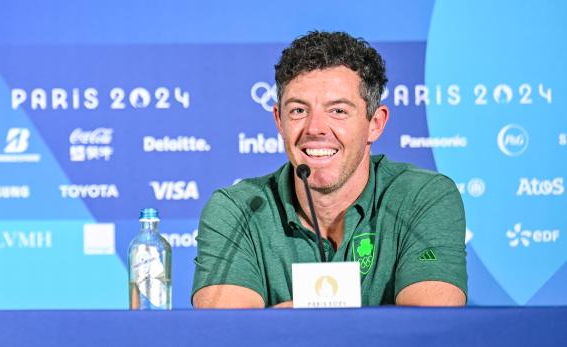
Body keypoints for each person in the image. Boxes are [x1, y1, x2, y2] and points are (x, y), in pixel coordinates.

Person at [192, 31, 467, 308]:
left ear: (375, 123)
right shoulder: (238, 209)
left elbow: (432, 329)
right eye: (299, 110)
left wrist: (292, 315)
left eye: (338, 111)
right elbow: (227, 333)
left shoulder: (424, 197)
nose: (315, 128)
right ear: (279, 121)